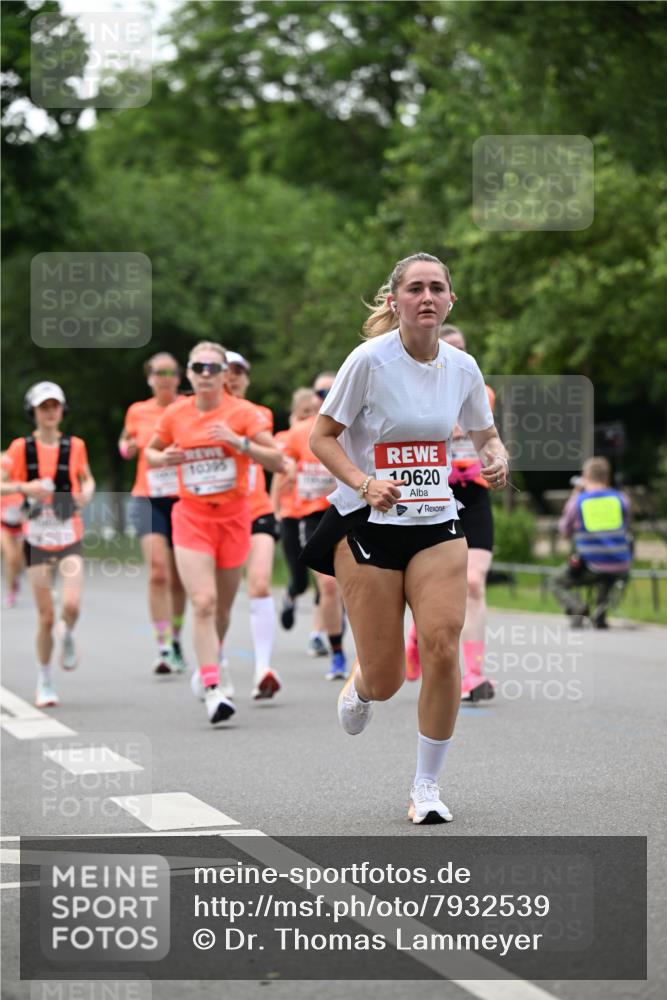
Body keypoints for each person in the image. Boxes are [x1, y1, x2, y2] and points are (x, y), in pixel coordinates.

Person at [304, 253, 508, 824]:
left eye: (436, 288)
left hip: (436, 521)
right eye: (415, 288)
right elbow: (322, 437)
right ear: (394, 301)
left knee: (442, 643)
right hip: (369, 524)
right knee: (388, 677)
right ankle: (362, 684)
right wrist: (364, 483)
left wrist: (497, 457)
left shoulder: (463, 367)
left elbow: (485, 434)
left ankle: (426, 787)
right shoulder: (369, 361)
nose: (426, 297)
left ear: (450, 301)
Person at [144, 342, 284, 726]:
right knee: (203, 602)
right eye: (198, 367)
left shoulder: (244, 413)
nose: (205, 374)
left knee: (221, 610)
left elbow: (278, 460)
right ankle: (212, 689)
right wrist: (163, 457)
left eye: (213, 368)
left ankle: (212, 659)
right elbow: (150, 453)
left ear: (224, 374)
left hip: (235, 519)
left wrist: (239, 442)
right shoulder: (176, 414)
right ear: (189, 373)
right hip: (191, 517)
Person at [405, 324, 496, 702]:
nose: (457, 353)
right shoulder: (415, 391)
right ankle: (416, 637)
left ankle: (473, 674)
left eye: (462, 347)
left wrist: (497, 460)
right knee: (435, 584)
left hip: (473, 494)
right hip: (433, 494)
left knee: (473, 582)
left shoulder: (480, 390)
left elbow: (490, 439)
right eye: (449, 346)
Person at [1, 382, 95, 707]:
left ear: (62, 410)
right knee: (45, 617)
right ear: (34, 412)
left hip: (69, 535)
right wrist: (24, 487)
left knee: (71, 605)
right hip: (37, 539)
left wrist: (87, 492)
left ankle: (67, 634)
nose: (50, 412)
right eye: (44, 407)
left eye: (55, 406)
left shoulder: (75, 446)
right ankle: (45, 679)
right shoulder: (20, 448)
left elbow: (87, 478)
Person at [120, 353, 187, 675]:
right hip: (147, 497)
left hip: (183, 498)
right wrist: (126, 449)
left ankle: (176, 638)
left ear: (178, 377)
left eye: (171, 372)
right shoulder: (138, 410)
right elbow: (125, 442)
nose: (165, 378)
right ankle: (163, 645)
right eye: (159, 372)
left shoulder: (188, 408)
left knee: (179, 577)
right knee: (158, 571)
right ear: (149, 378)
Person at [280, 373, 348, 680]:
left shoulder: (355, 425)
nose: (327, 397)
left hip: (349, 510)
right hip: (313, 515)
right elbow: (282, 463)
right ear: (313, 398)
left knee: (357, 584)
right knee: (328, 585)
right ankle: (337, 653)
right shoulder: (300, 432)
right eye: (322, 392)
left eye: (334, 390)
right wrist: (287, 468)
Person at [224, 350, 282, 699]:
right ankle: (215, 666)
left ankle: (262, 669)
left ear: (247, 378)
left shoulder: (260, 415)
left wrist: (242, 443)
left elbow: (274, 458)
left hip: (257, 508)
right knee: (218, 598)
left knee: (260, 584)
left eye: (239, 372)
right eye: (226, 371)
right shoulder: (199, 416)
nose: (232, 377)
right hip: (218, 515)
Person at [271, 387, 328, 656]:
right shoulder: (286, 438)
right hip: (290, 515)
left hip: (314, 513)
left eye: (314, 411)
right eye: (305, 412)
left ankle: (318, 633)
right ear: (294, 414)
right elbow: (278, 476)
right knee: (300, 580)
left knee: (324, 579)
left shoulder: (324, 435)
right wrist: (274, 510)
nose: (310, 417)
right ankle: (290, 596)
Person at [552, 456, 632, 628]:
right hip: (621, 566)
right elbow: (626, 525)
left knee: (556, 582)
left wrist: (575, 494)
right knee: (607, 574)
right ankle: (600, 615)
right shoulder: (621, 499)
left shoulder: (579, 501)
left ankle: (577, 607)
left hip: (592, 565)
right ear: (607, 477)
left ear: (585, 476)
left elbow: (564, 531)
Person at [1, 456, 26, 608]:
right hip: (4, 527)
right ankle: (10, 592)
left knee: (19, 560)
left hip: (21, 527)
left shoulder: (21, 485)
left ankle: (15, 578)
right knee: (10, 557)